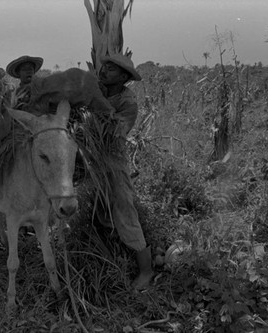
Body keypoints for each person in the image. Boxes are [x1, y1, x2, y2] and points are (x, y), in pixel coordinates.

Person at [98, 53, 154, 290]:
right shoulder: (98, 90)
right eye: (104, 67)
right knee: (101, 205)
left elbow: (114, 133)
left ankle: (146, 271)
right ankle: (111, 251)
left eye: (111, 69)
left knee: (123, 206)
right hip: (94, 159)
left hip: (113, 159)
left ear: (123, 77)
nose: (103, 71)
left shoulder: (128, 102)